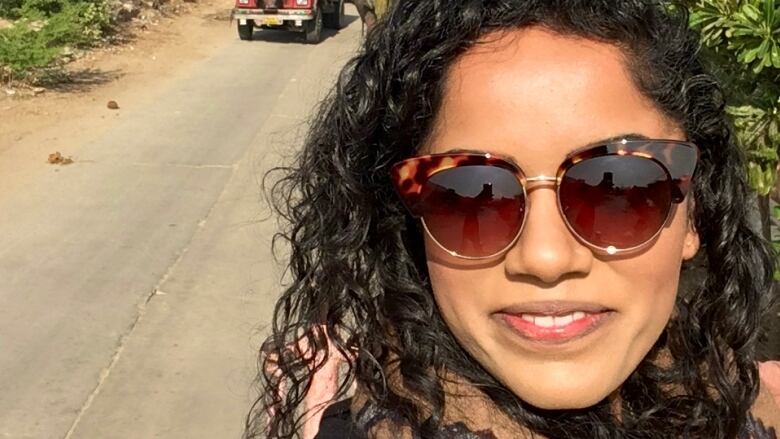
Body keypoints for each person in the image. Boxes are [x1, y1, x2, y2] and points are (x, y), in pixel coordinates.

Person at [244, 1, 780, 438]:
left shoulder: (757, 413)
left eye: (620, 188)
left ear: (692, 217)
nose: (544, 258)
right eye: (470, 197)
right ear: (411, 222)